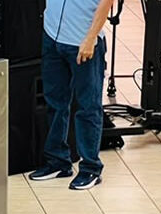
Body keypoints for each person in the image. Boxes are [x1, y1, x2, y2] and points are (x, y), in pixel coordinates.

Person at [27, 0, 112, 190]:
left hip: (83, 40)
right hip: (53, 37)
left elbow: (107, 2)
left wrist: (91, 38)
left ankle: (91, 167)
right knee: (55, 102)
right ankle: (57, 161)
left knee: (88, 106)